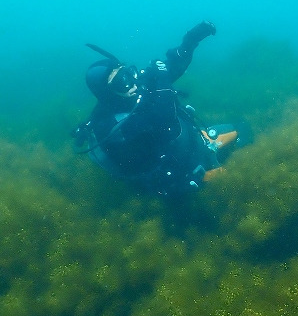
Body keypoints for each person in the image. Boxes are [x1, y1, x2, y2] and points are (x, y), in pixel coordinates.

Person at [73, 21, 235, 195]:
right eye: (121, 81)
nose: (132, 81)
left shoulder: (131, 89)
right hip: (182, 178)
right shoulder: (111, 126)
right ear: (107, 93)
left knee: (242, 129)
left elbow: (174, 67)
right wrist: (162, 77)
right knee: (238, 180)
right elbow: (164, 119)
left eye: (128, 72)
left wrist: (191, 39)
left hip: (196, 145)